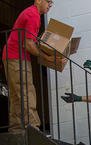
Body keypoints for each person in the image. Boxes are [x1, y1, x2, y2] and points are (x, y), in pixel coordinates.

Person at [2, 0, 63, 133]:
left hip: (13, 56)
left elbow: (30, 42)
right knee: (26, 92)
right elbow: (29, 44)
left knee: (17, 95)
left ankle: (17, 130)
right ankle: (33, 129)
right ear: (38, 0)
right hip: (16, 57)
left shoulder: (32, 13)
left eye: (51, 3)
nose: (50, 5)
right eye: (48, 2)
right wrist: (48, 58)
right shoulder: (33, 15)